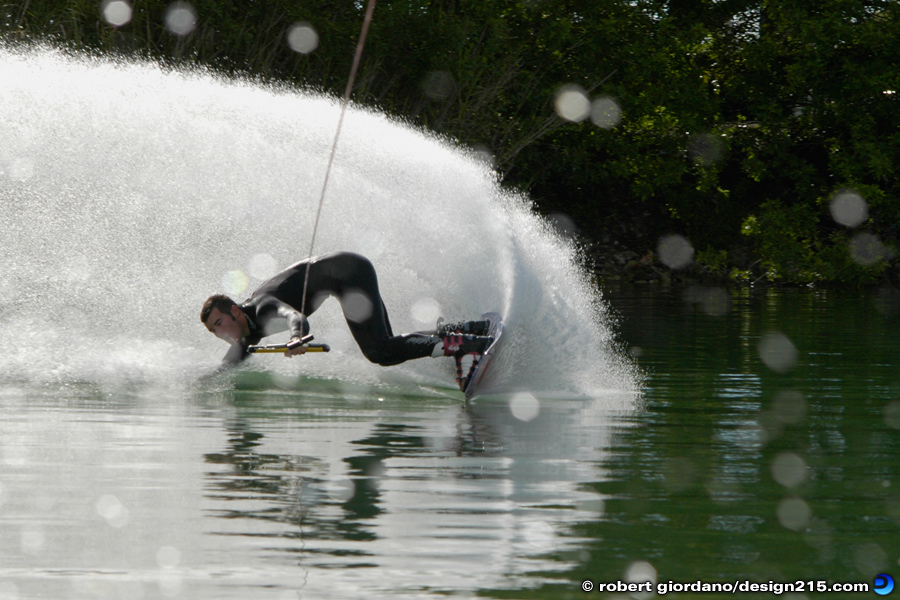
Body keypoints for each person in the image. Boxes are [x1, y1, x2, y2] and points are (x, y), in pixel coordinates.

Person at [201, 251, 494, 390]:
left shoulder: (261, 308)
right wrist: (199, 385)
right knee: (387, 345)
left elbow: (295, 317)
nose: (219, 333)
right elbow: (230, 363)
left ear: (235, 312)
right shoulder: (246, 332)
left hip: (349, 273)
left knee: (379, 351)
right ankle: (467, 331)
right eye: (213, 330)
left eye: (218, 323)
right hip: (349, 273)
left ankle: (464, 346)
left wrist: (295, 337)